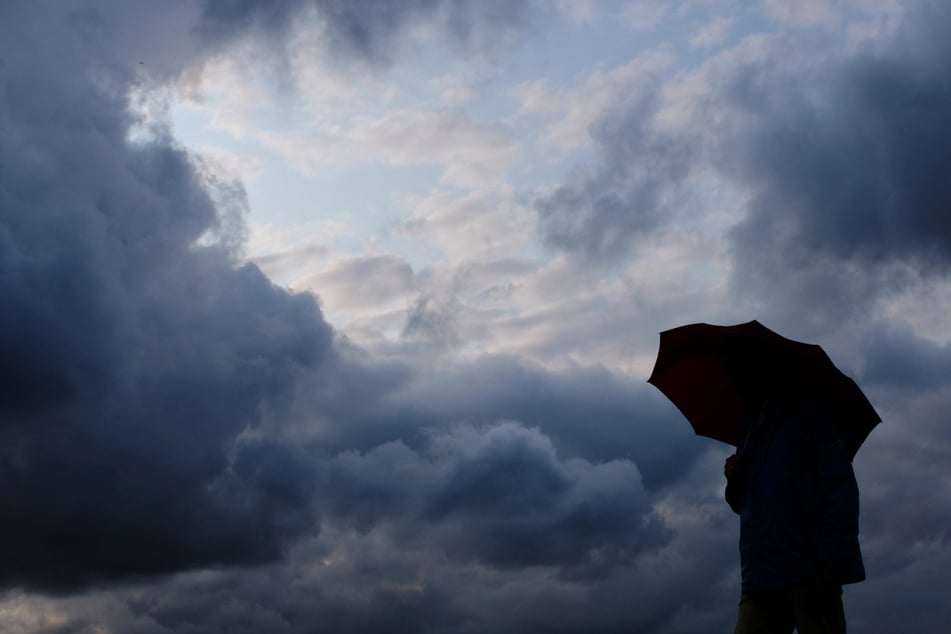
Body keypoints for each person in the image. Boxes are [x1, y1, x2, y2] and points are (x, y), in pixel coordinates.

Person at [723, 360, 865, 634]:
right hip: (760, 574)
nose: (734, 382)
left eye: (738, 372)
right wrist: (735, 481)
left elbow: (840, 487)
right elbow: (743, 503)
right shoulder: (750, 425)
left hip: (811, 570)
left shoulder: (810, 414)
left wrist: (831, 561)